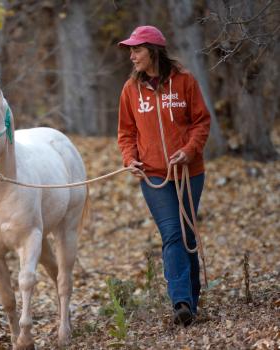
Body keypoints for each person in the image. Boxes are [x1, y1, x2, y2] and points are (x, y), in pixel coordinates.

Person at [117, 25, 211, 326]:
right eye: (131, 50)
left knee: (186, 235)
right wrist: (130, 159)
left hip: (189, 172)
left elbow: (201, 122)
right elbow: (126, 133)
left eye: (137, 50)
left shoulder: (185, 82)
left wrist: (189, 150)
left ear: (153, 51)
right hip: (154, 177)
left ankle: (191, 303)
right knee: (172, 233)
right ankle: (181, 302)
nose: (132, 56)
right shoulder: (130, 90)